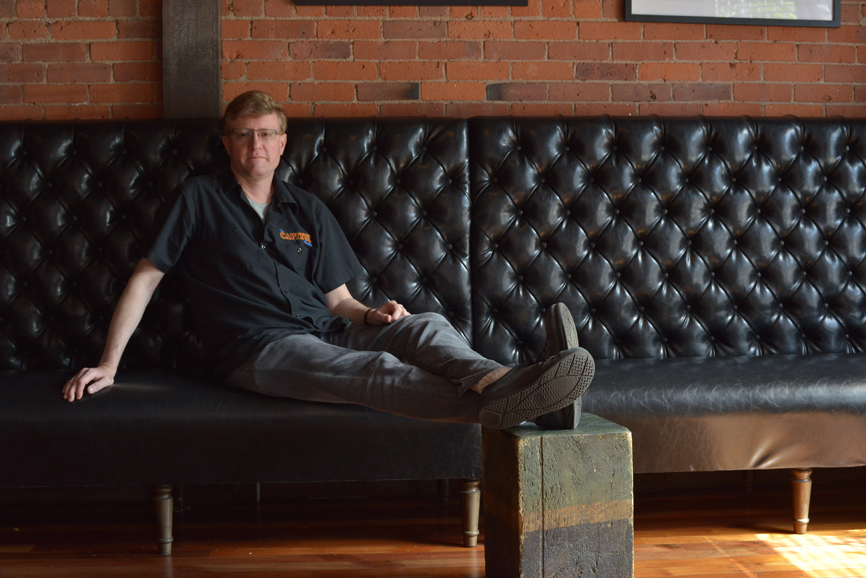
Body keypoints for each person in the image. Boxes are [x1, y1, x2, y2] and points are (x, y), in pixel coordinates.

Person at [62, 91, 593, 430]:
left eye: (266, 134)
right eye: (244, 135)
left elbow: (339, 300)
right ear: (226, 144)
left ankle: (511, 387)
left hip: (329, 330)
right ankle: (533, 394)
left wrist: (374, 315)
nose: (256, 146)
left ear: (283, 143)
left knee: (424, 326)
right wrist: (109, 364)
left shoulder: (308, 209)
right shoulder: (198, 198)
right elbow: (145, 279)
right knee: (376, 370)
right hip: (258, 349)